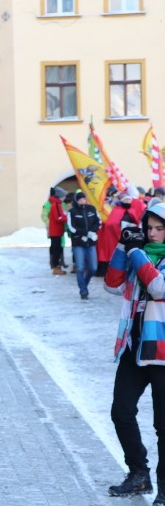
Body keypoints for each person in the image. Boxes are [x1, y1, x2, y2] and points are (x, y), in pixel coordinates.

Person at [104, 202, 165, 504]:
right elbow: (112, 284)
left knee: (163, 425)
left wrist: (136, 252)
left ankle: (164, 487)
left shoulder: (146, 258)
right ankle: (139, 473)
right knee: (121, 412)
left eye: (159, 228)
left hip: (163, 354)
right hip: (135, 347)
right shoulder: (136, 254)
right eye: (148, 228)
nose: (152, 234)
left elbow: (158, 287)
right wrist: (121, 244)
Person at [67, 191, 101, 300]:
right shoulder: (72, 212)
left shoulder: (91, 209)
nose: (82, 201)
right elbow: (72, 227)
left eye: (83, 199)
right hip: (78, 243)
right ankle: (83, 290)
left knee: (93, 267)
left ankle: (84, 284)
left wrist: (92, 232)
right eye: (80, 199)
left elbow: (98, 222)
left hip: (91, 242)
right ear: (76, 201)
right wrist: (85, 233)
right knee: (80, 267)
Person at [47, 187, 69, 275]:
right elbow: (58, 218)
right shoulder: (56, 204)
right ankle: (56, 267)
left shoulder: (57, 204)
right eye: (64, 196)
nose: (65, 197)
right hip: (55, 231)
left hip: (57, 231)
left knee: (57, 248)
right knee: (56, 249)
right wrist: (67, 218)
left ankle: (56, 266)